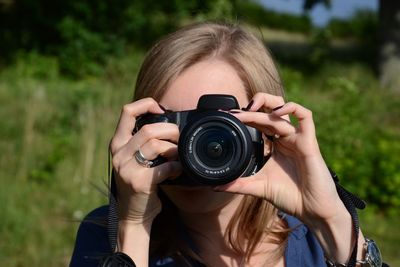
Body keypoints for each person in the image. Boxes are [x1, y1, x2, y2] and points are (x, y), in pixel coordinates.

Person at [70, 22, 384, 267]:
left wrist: (332, 224)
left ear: (266, 132)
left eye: (217, 127)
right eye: (171, 128)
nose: (195, 150)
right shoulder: (108, 235)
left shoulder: (314, 241)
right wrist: (134, 227)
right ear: (138, 130)